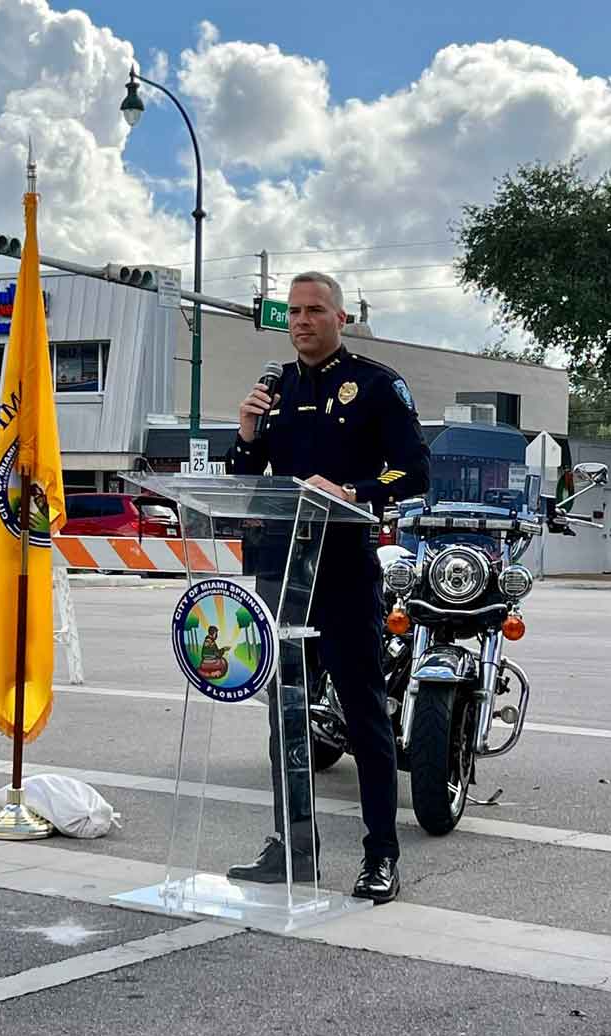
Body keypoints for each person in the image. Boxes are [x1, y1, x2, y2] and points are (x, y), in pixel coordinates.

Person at [225, 271, 430, 904]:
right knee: (285, 711)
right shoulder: (275, 388)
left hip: (342, 570)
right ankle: (292, 847)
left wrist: (355, 492)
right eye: (293, 311)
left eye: (314, 310)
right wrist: (246, 434)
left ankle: (380, 856)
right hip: (280, 570)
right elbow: (243, 477)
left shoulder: (374, 384)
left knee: (364, 713)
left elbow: (414, 468)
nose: (301, 321)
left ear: (341, 318)